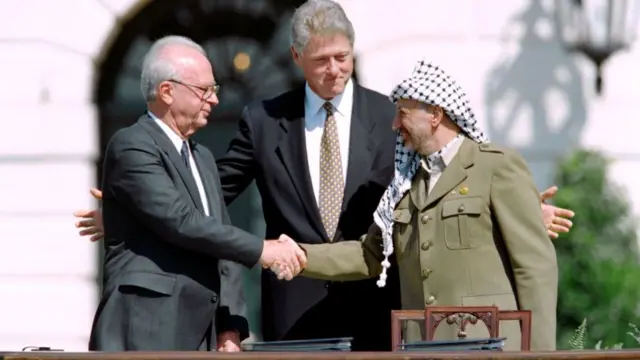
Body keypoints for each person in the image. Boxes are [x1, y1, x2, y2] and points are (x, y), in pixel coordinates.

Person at [74, 0, 574, 351]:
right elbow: (208, 197)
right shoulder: (264, 119)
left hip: (387, 314)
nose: (335, 70)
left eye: (343, 58)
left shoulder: (391, 116)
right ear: (296, 59)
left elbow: (448, 186)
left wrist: (521, 211)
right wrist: (132, 210)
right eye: (321, 61)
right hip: (296, 314)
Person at [280, 60, 561, 351]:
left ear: (436, 115)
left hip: (488, 347)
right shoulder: (403, 184)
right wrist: (300, 256)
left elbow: (535, 266)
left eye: (403, 114)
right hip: (420, 348)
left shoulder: (495, 166)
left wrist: (540, 355)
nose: (394, 125)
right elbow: (370, 254)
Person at [88, 35, 305, 351]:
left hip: (201, 335)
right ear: (167, 91)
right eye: (205, 90)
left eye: (214, 90)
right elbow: (181, 221)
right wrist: (262, 250)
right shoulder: (131, 144)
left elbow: (220, 238)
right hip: (146, 330)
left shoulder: (201, 157)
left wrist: (231, 327)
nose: (215, 99)